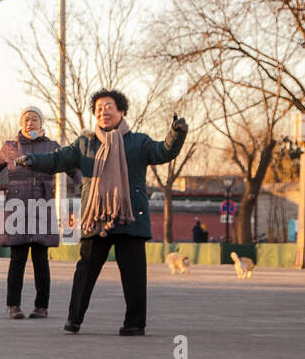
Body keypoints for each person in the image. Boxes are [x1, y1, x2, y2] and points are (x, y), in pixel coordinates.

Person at [15, 90, 187, 335]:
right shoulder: (85, 144)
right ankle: (74, 320)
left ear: (122, 111)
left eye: (109, 107)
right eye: (98, 108)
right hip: (96, 218)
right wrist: (32, 160)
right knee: (84, 271)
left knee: (134, 276)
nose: (103, 112)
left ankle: (134, 324)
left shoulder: (139, 142)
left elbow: (164, 151)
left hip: (130, 216)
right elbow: (57, 160)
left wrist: (176, 133)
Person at [0, 106, 61, 318]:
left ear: (41, 124)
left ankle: (41, 306)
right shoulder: (10, 147)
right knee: (18, 258)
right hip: (18, 206)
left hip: (42, 205)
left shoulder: (52, 147)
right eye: (26, 119)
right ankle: (14, 306)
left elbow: (72, 166)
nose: (30, 123)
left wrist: (84, 184)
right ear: (21, 123)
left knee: (41, 259)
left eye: (34, 119)